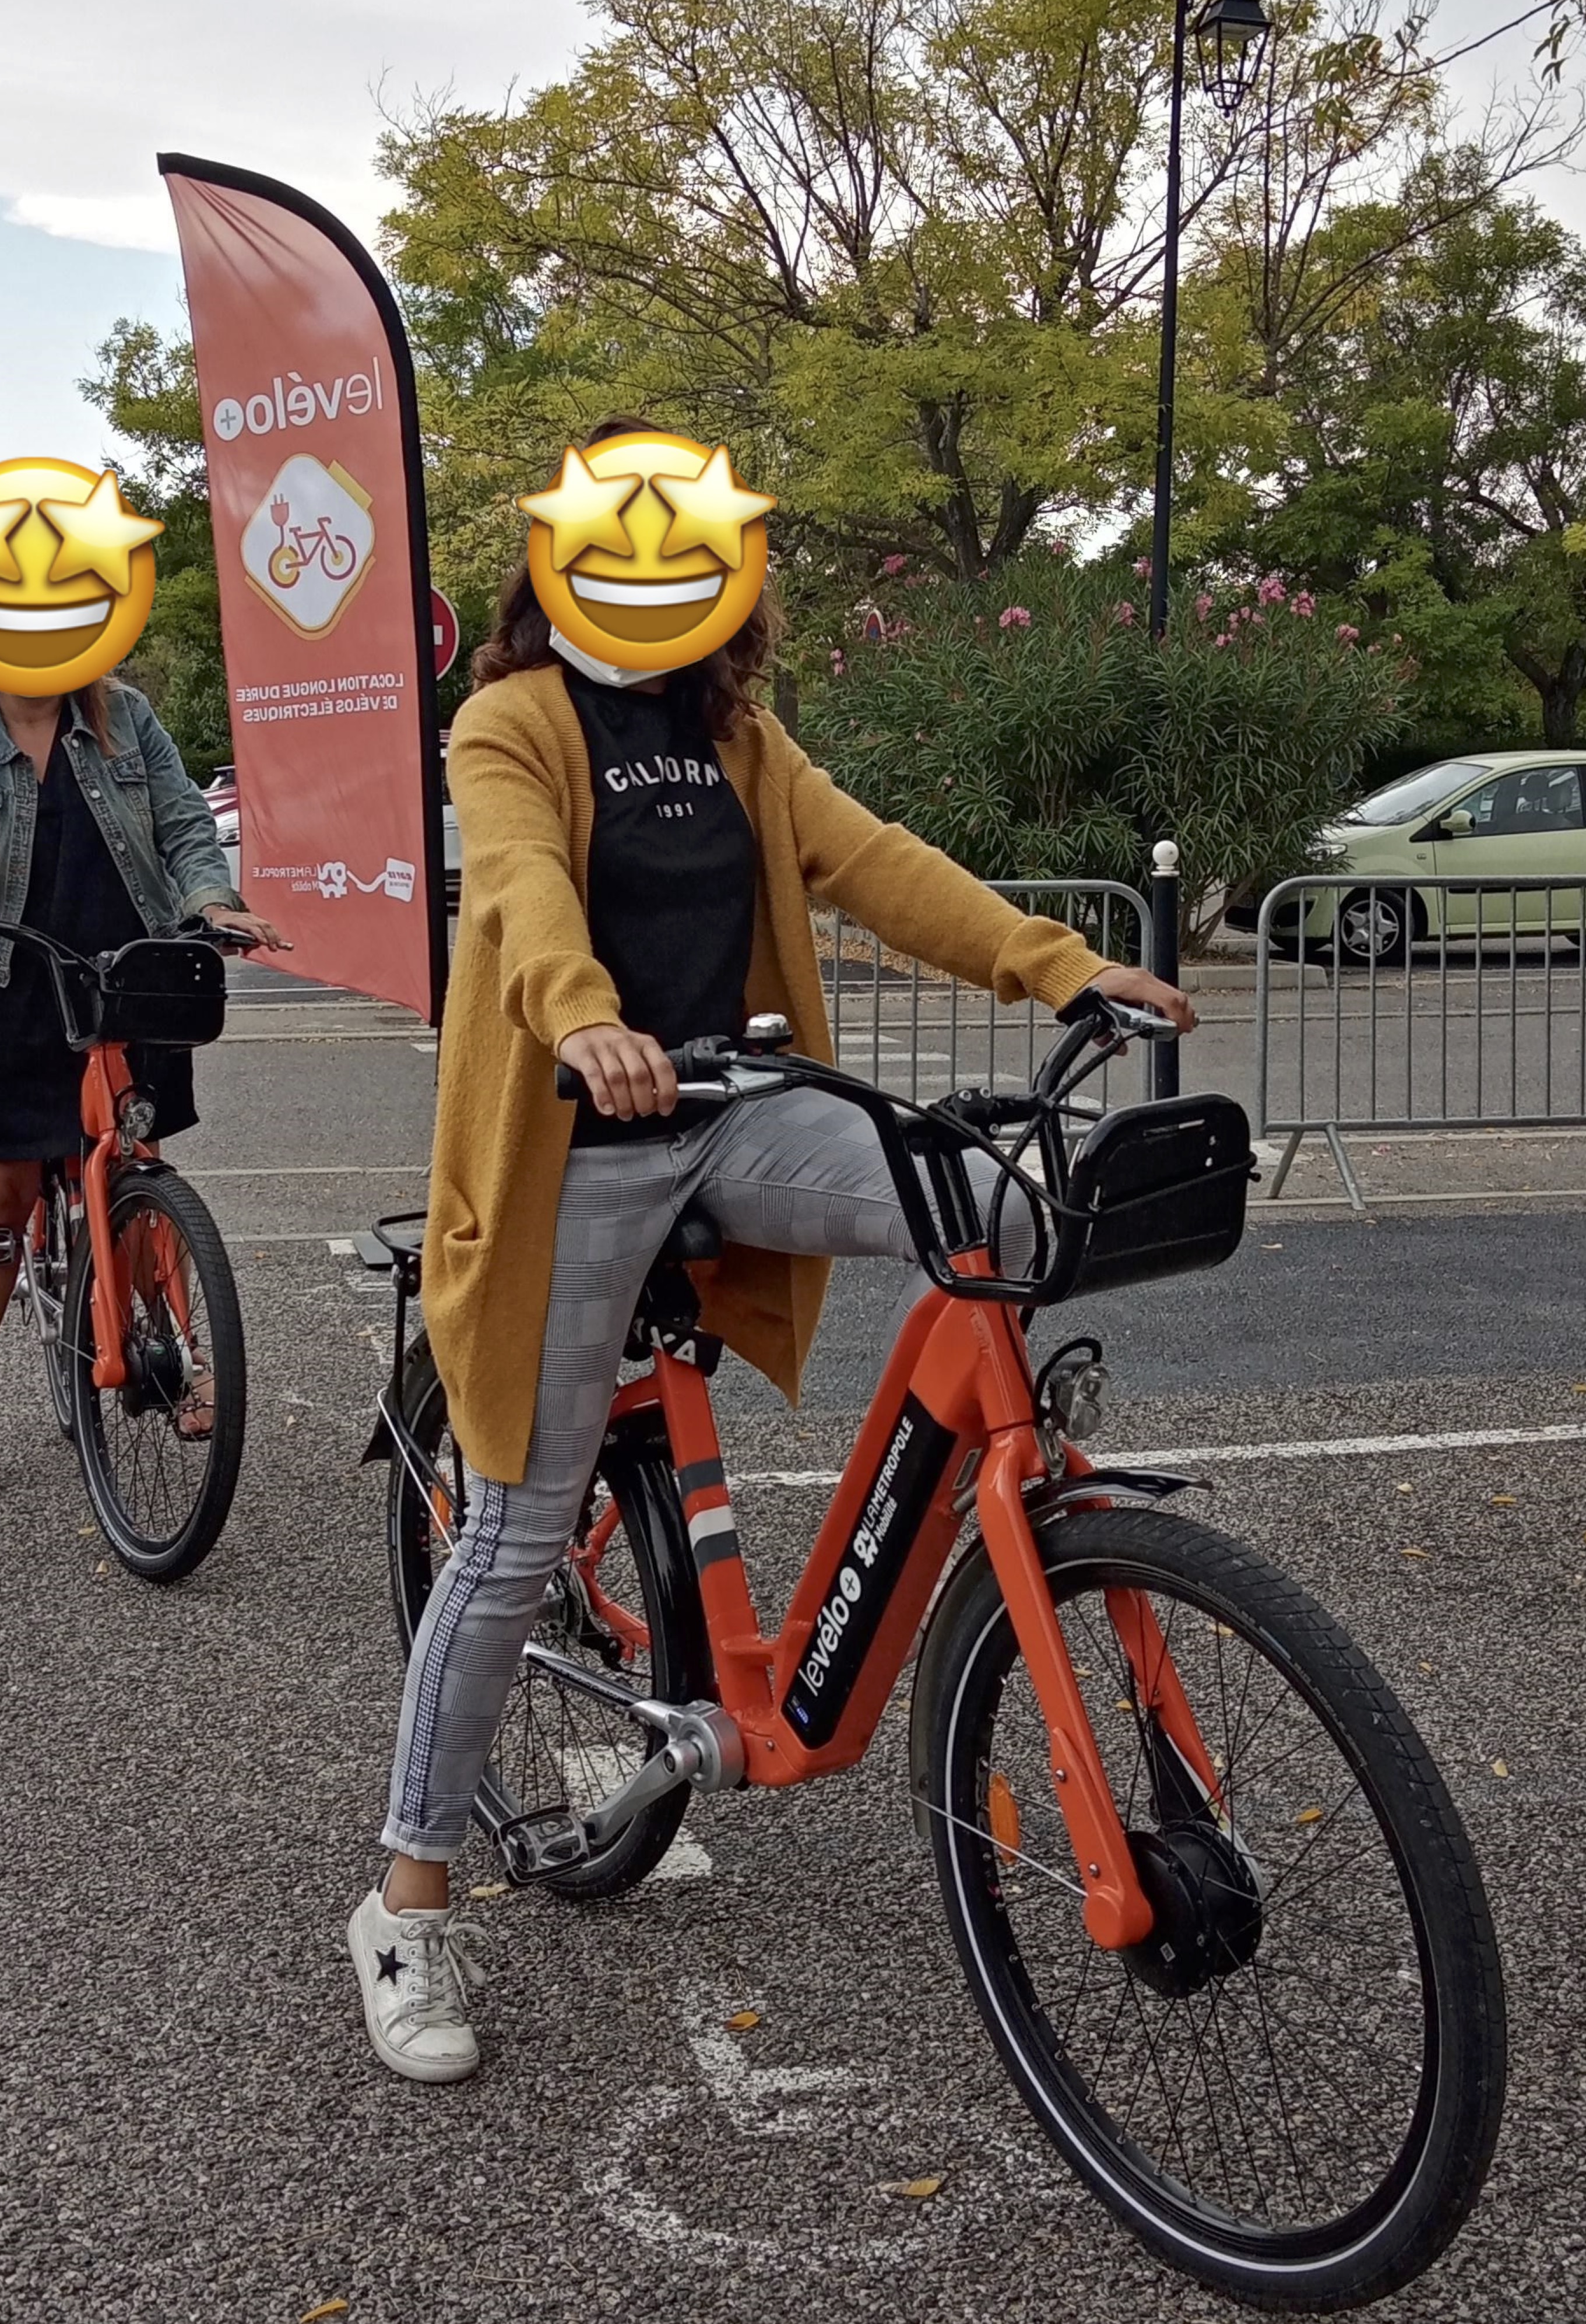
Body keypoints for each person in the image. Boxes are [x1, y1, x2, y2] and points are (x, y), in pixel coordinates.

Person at [347, 423, 1194, 2083]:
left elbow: (873, 863)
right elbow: (519, 892)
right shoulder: (508, 721)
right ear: (550, 563)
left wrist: (1061, 965)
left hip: (729, 1114)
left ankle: (1021, 1487)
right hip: (572, 1144)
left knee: (1001, 1211)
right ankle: (406, 1902)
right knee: (514, 1532)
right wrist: (587, 1022)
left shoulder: (737, 736)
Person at [0, 673, 287, 1501]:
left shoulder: (127, 716)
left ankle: (174, 1346)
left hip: (124, 978)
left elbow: (183, 824)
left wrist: (213, 901)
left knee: (134, 1160)